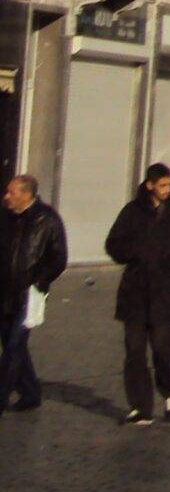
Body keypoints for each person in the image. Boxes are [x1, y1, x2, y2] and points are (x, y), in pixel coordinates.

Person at [103, 162, 170, 427]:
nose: (166, 189)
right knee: (134, 350)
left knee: (162, 348)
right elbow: (113, 242)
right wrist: (131, 254)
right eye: (161, 185)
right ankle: (140, 407)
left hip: (166, 290)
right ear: (150, 185)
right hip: (135, 292)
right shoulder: (132, 211)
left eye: (169, 184)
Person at [2, 173, 68, 414]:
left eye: (12, 192)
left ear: (27, 195)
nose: (6, 197)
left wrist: (40, 281)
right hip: (4, 291)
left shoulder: (47, 219)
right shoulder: (6, 217)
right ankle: (30, 393)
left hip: (29, 295)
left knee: (13, 346)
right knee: (13, 344)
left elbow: (59, 258)